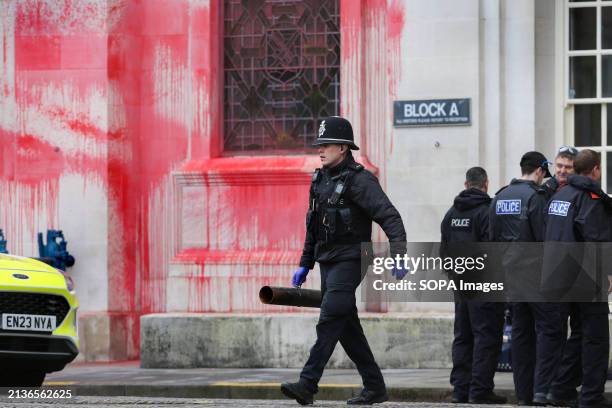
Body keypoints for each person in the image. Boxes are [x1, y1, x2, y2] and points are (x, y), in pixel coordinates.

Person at [280, 116, 407, 406]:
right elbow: (313, 225)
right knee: (346, 325)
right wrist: (305, 262)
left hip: (351, 259)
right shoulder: (320, 178)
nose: (320, 150)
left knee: (330, 318)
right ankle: (375, 387)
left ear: (342, 147)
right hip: (327, 260)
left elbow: (390, 216)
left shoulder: (360, 180)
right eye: (319, 146)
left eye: (325, 145)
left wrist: (399, 254)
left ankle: (307, 383)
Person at [489, 151, 565, 405]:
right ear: (541, 170)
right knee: (550, 330)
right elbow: (544, 239)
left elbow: (490, 240)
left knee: (521, 335)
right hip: (536, 276)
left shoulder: (499, 197)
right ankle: (541, 389)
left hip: (510, 277)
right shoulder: (535, 197)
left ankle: (523, 394)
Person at [544, 149, 612, 408]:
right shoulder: (592, 197)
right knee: (595, 336)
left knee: (579, 334)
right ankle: (592, 395)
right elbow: (595, 237)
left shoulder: (560, 196)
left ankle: (561, 388)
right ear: (595, 169)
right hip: (585, 275)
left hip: (559, 274)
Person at [441, 167, 506, 404]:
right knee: (486, 337)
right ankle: (480, 391)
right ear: (486, 184)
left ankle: (460, 390)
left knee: (463, 337)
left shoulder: (451, 213)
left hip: (461, 287)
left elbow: (444, 251)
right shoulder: (488, 211)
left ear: (466, 184)